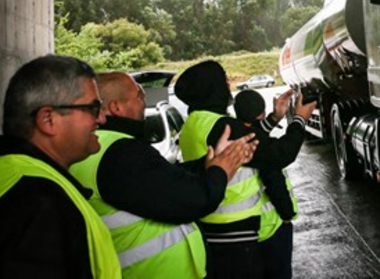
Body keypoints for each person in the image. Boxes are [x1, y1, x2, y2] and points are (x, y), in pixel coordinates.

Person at [0, 55, 121, 278]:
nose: (102, 118)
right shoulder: (36, 204)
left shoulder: (7, 178)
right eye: (94, 108)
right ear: (48, 119)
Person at [69, 72, 257, 278]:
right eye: (140, 96)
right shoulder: (120, 152)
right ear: (116, 107)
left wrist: (208, 164)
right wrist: (222, 169)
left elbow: (163, 179)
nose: (145, 102)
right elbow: (193, 200)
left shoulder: (99, 148)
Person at [174, 60, 316, 279]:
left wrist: (274, 118)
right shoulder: (222, 126)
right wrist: (299, 118)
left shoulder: (194, 124)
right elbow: (279, 153)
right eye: (223, 79)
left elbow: (251, 141)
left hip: (213, 230)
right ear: (212, 87)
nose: (228, 83)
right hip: (237, 237)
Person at [235, 90, 299, 279]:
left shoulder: (237, 136)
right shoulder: (262, 149)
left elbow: (256, 132)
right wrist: (287, 214)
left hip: (244, 232)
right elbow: (274, 183)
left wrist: (275, 118)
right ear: (261, 113)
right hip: (272, 228)